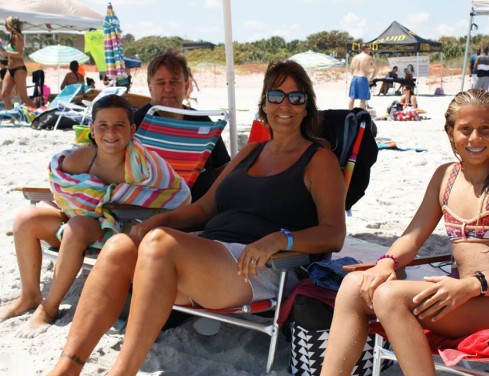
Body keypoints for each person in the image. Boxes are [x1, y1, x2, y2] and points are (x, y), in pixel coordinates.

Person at [48, 59, 347, 375]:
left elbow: (333, 234)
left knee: (161, 244)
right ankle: (68, 366)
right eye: (276, 96)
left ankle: (122, 370)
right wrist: (157, 221)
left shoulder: (319, 160)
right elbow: (205, 208)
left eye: (296, 97)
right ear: (264, 104)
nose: (285, 104)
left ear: (306, 106)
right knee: (120, 246)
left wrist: (280, 239)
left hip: (260, 266)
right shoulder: (251, 152)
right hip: (206, 254)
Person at [321, 89, 489, 376]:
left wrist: (472, 285)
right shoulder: (445, 177)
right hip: (464, 299)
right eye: (465, 130)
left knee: (390, 295)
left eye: (485, 129)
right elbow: (413, 236)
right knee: (354, 284)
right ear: (450, 132)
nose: (475, 138)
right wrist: (387, 262)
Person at [0, 95, 190, 336]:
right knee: (26, 218)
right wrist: (83, 205)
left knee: (77, 226)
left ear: (132, 129)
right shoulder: (79, 160)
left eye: (119, 125)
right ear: (92, 129)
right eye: (103, 125)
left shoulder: (145, 166)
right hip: (81, 223)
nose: (111, 132)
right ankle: (29, 296)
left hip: (121, 230)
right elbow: (64, 192)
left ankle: (49, 308)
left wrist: (102, 204)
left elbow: (177, 194)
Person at [133, 49, 231, 201]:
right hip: (153, 208)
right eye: (160, 83)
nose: (168, 89)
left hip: (203, 207)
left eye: (174, 82)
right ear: (150, 87)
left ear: (186, 86)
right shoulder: (136, 124)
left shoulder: (202, 121)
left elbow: (223, 167)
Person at [0, 16, 36, 110]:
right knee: (4, 94)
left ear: (10, 25)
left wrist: (5, 52)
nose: (5, 26)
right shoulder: (11, 38)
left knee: (24, 98)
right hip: (10, 68)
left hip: (19, 69)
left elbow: (20, 55)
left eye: (6, 24)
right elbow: (8, 55)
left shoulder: (18, 37)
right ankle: (12, 117)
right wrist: (2, 51)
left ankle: (39, 115)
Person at [348, 44, 376, 110]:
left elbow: (351, 70)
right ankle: (361, 114)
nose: (370, 51)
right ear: (365, 49)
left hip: (354, 78)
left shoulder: (355, 57)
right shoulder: (369, 58)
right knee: (363, 99)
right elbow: (376, 69)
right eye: (369, 49)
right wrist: (371, 78)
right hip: (363, 78)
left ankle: (349, 112)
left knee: (352, 98)